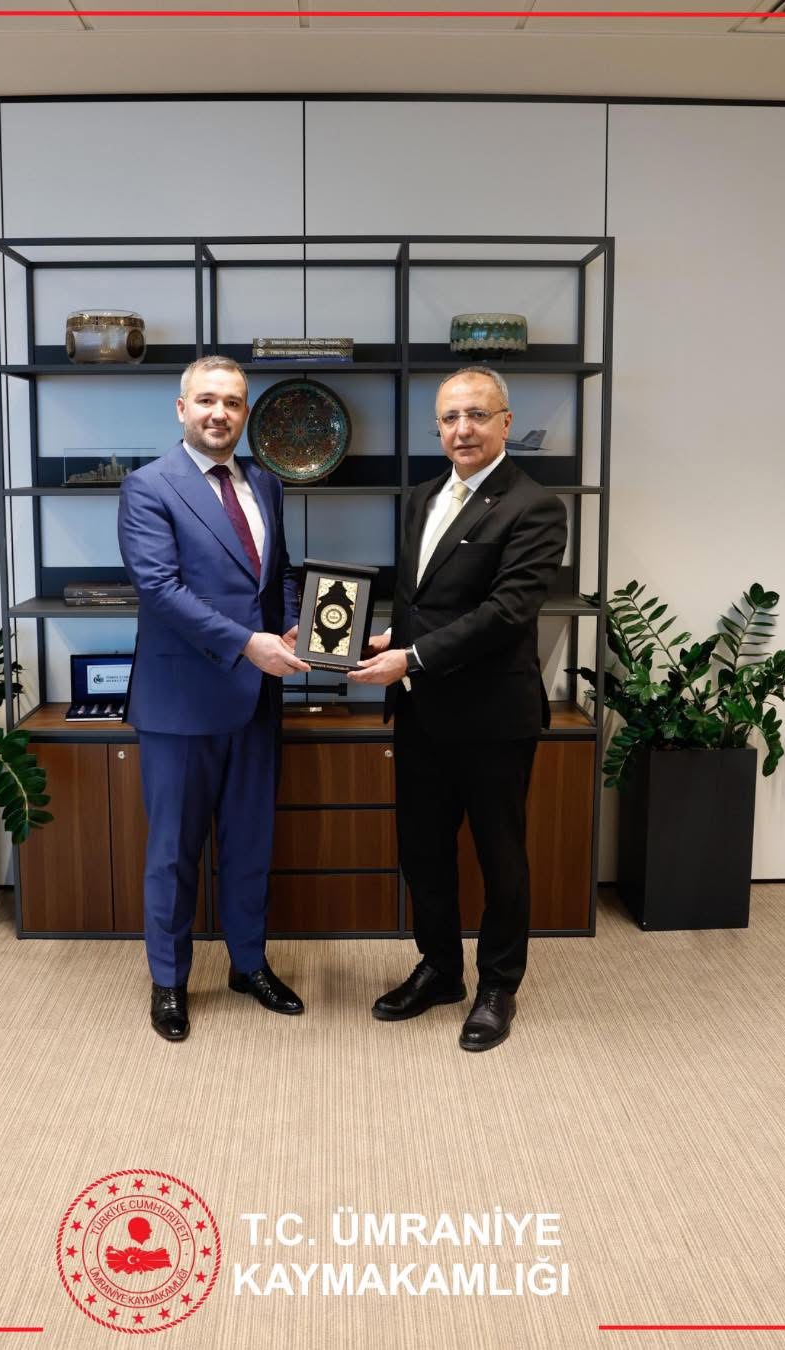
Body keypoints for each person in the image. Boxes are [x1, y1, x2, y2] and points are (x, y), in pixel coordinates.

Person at [349, 366, 567, 1052]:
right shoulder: (422, 496)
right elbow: (423, 599)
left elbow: (506, 613)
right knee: (423, 851)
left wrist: (410, 657)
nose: (462, 429)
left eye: (477, 415)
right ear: (438, 427)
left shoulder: (534, 506)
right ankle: (440, 969)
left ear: (506, 422)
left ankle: (498, 985)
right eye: (449, 418)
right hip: (421, 714)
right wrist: (392, 636)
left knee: (501, 858)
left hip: (492, 717)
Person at [117, 355, 309, 1042]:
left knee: (250, 843)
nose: (219, 413)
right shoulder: (148, 486)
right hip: (181, 702)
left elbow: (279, 573)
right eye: (206, 400)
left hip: (256, 700)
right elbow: (160, 590)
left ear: (245, 412)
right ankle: (169, 982)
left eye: (231, 402)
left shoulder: (266, 482)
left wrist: (292, 626)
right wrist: (248, 643)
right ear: (181, 408)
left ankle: (248, 965)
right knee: (174, 852)